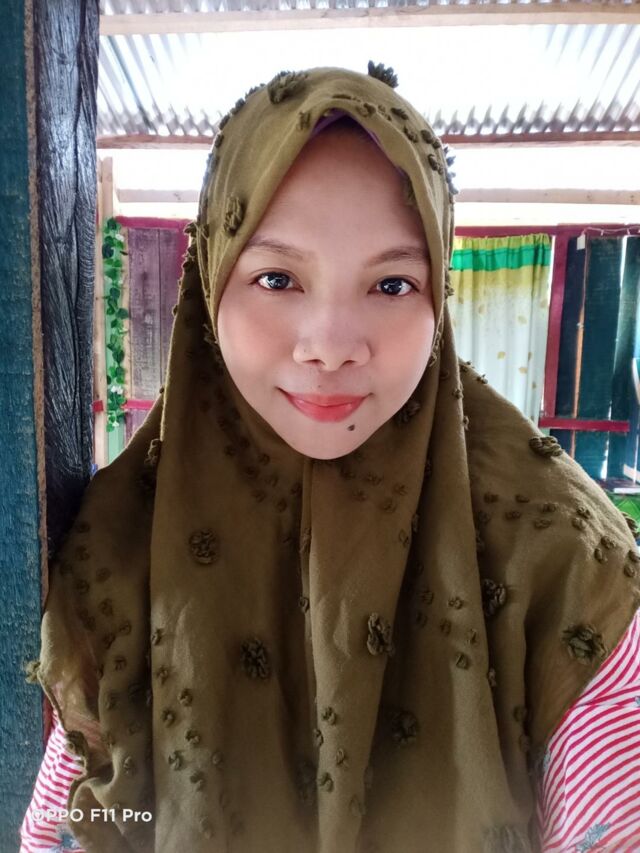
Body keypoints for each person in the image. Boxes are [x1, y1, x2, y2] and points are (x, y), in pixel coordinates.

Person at [21, 64, 640, 853]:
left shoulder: (562, 559)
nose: (331, 345)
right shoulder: (121, 540)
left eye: (392, 284)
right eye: (277, 277)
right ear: (210, 278)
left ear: (439, 294)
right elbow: (76, 826)